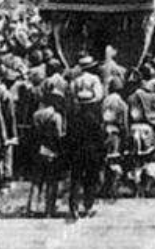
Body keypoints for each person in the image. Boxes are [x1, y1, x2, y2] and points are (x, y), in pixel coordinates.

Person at [66, 88, 105, 218]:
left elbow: (69, 138)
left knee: (75, 180)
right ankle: (88, 206)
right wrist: (101, 155)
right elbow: (100, 139)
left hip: (77, 153)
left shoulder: (73, 119)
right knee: (90, 181)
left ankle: (74, 207)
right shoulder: (94, 119)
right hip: (92, 154)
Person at [30, 89, 65, 217]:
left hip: (38, 149)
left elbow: (33, 133)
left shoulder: (36, 115)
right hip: (52, 150)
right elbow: (59, 134)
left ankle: (32, 208)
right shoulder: (56, 116)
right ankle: (49, 209)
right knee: (52, 181)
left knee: (37, 181)